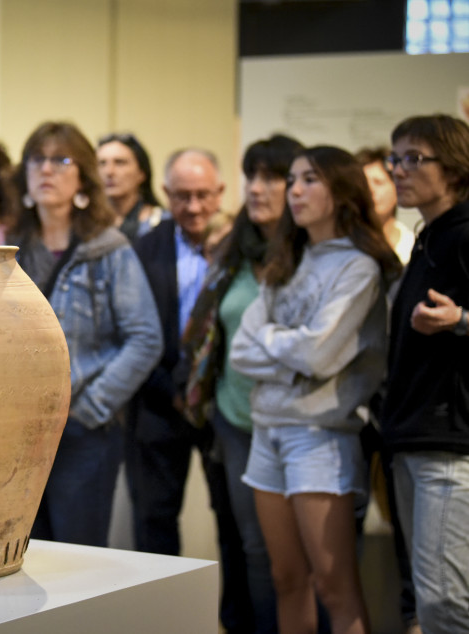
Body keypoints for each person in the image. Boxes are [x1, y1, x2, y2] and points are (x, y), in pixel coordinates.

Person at [230, 145, 401, 634]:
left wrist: (285, 350)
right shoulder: (289, 258)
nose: (295, 190)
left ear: (342, 191)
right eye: (294, 179)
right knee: (285, 579)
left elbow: (318, 356)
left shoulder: (360, 267)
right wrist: (293, 353)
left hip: (321, 436)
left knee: (334, 585)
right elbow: (241, 351)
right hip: (268, 430)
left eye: (310, 179)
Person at [10, 121, 163, 547]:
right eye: (36, 160)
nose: (46, 171)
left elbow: (145, 338)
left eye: (61, 160)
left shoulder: (109, 248)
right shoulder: (10, 249)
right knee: (21, 554)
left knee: (76, 562)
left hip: (84, 431)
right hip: (18, 431)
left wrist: (93, 407)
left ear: (82, 177)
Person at [184, 134, 304, 633]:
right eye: (252, 176)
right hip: (236, 421)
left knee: (310, 557)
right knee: (252, 549)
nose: (257, 188)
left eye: (272, 177)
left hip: (302, 424)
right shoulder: (233, 250)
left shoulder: (316, 253)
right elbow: (207, 328)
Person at [129, 148, 250, 633]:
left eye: (203, 195)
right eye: (182, 196)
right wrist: (171, 388)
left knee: (234, 523)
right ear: (166, 195)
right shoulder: (143, 248)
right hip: (158, 402)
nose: (194, 206)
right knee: (155, 521)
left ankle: (237, 622)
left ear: (221, 193)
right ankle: (165, 623)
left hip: (223, 403)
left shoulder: (244, 246)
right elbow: (138, 329)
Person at [380, 114, 469, 633]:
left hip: (448, 441)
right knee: (427, 600)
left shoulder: (463, 236)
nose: (399, 170)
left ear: (455, 169)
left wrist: (461, 320)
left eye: (414, 158)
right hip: (412, 436)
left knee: (445, 603)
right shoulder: (429, 236)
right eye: (396, 158)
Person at [354, 145, 419, 634]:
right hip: (356, 412)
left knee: (412, 540)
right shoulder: (343, 252)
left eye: (377, 180)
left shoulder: (415, 248)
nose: (368, 190)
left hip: (406, 408)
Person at [96, 132, 167, 240]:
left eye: (120, 163)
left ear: (142, 173)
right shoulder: (83, 224)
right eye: (102, 163)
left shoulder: (162, 223)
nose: (109, 172)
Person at [356, 146, 415, 264]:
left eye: (378, 182)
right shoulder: (343, 242)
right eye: (364, 184)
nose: (370, 190)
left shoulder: (411, 246)